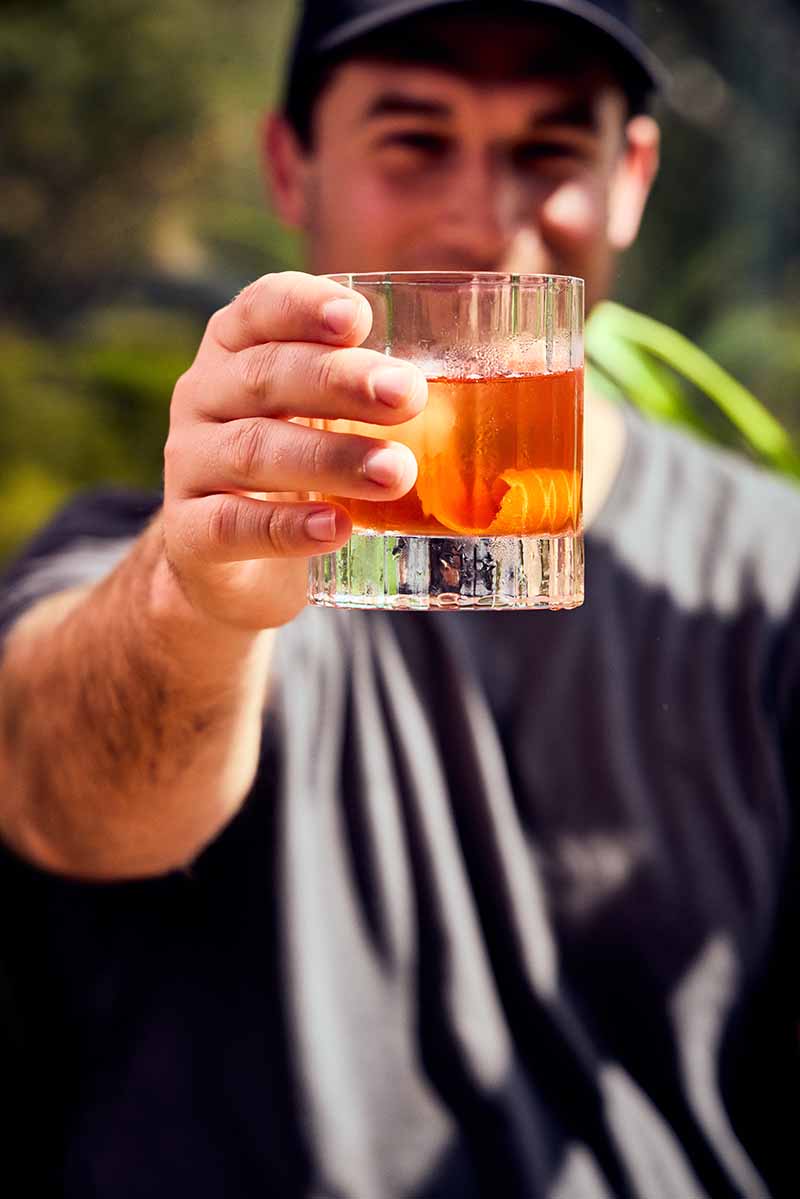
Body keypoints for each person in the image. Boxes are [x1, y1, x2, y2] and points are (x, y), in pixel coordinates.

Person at [0, 1, 798, 1195]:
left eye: (545, 148)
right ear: (289, 164)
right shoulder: (159, 550)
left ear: (629, 175)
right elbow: (58, 796)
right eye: (414, 137)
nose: (484, 215)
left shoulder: (769, 574)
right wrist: (193, 597)